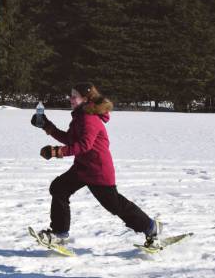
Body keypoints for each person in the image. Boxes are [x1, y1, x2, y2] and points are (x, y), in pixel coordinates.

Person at [31, 83, 160, 248]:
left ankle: (150, 227)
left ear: (86, 99)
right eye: (70, 95)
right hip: (83, 168)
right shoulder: (80, 116)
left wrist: (57, 152)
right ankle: (59, 233)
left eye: (74, 96)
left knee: (115, 205)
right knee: (59, 188)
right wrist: (47, 126)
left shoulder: (88, 118)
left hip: (98, 170)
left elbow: (84, 145)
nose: (70, 99)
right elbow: (71, 140)